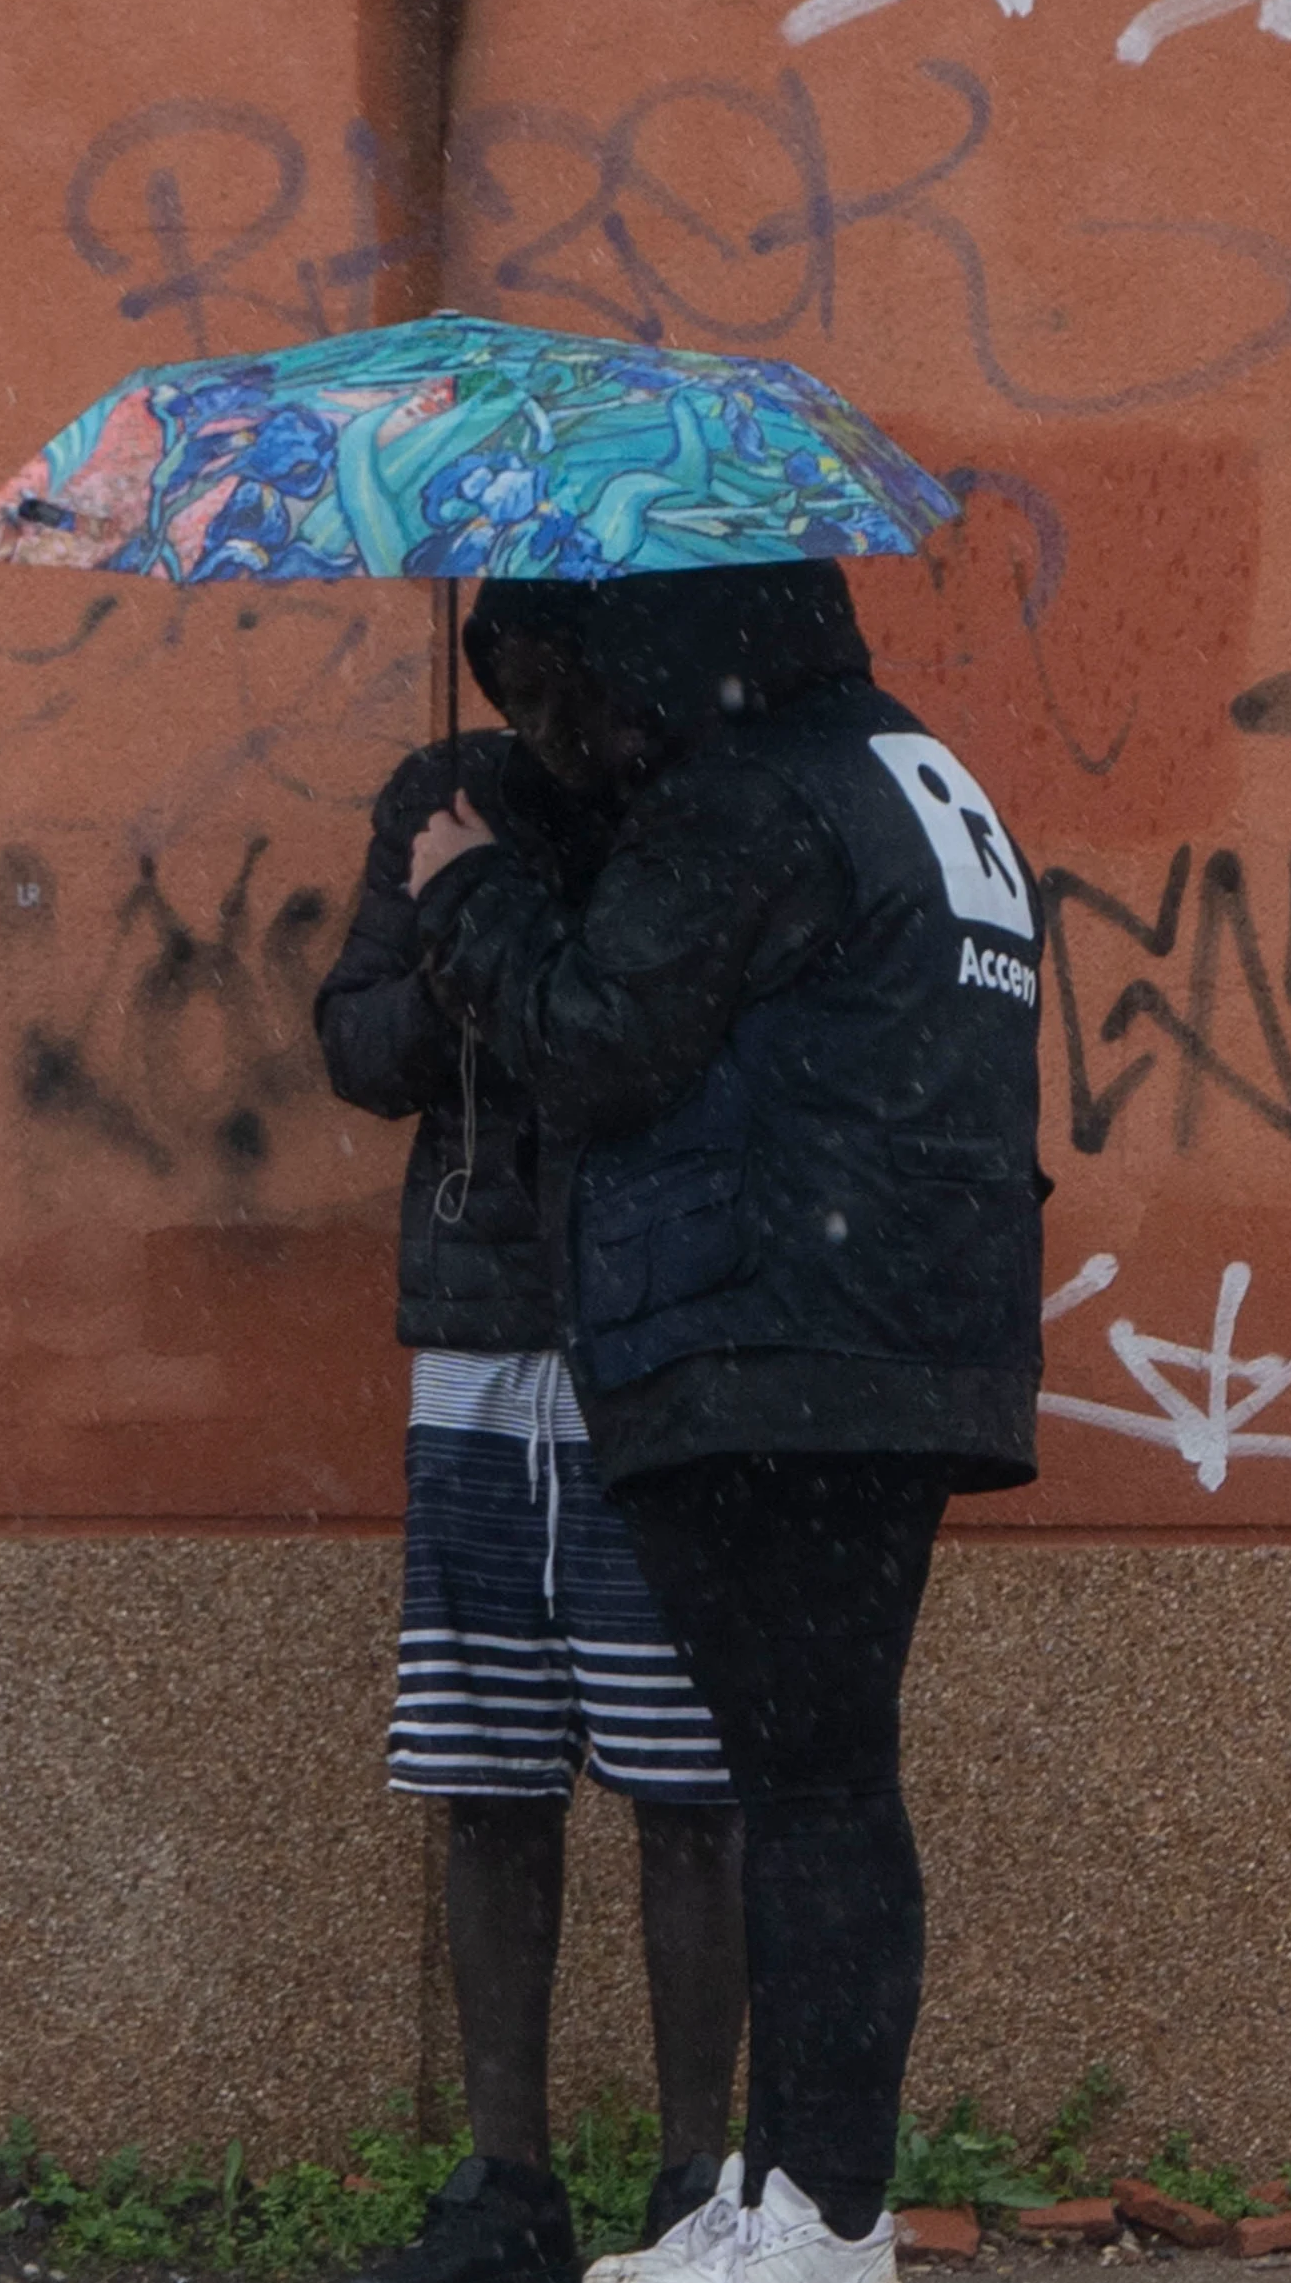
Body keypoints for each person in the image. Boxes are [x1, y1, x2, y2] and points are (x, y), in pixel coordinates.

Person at [395, 562, 1049, 2283]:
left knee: (814, 1784)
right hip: (901, 1330)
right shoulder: (916, 769)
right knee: (815, 1772)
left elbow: (594, 1041)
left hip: (778, 1339)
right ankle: (783, 2197)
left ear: (658, 637)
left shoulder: (748, 798)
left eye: (574, 687)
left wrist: (466, 894)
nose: (573, 734)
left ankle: (823, 2217)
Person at [313, 587, 749, 2283]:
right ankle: (509, 2182)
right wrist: (456, 940)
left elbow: (662, 1046)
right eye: (528, 689)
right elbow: (356, 1044)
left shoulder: (705, 805)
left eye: (578, 689)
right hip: (484, 1340)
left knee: (687, 1780)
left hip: (663, 1338)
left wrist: (519, 924)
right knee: (488, 1771)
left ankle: (695, 2178)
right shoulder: (445, 798)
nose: (554, 720)